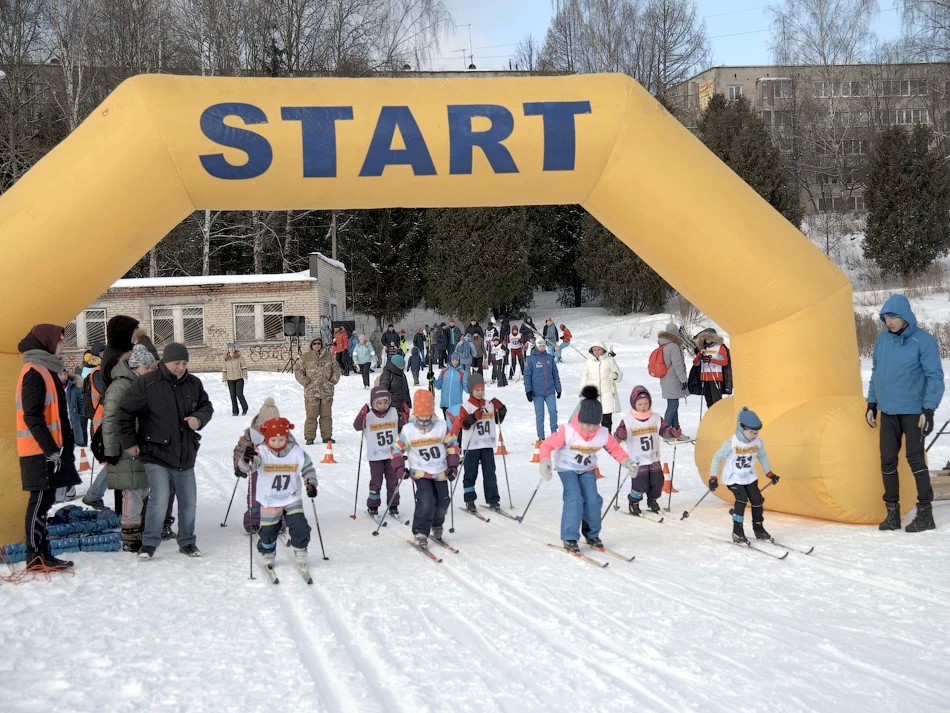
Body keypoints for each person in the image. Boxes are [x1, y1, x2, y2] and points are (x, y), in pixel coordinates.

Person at [118, 342, 214, 559]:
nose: (180, 367)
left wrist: (199, 418)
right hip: (155, 452)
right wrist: (130, 442)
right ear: (164, 362)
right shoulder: (147, 383)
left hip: (185, 452)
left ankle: (187, 542)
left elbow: (206, 406)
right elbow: (124, 411)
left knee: (188, 501)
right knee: (159, 499)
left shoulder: (194, 383)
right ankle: (149, 544)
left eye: (184, 363)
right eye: (176, 363)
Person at [866, 294, 945, 532]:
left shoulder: (924, 341)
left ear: (906, 317)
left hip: (913, 412)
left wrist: (928, 409)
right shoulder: (882, 340)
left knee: (915, 459)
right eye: (886, 317)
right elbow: (877, 372)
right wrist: (872, 403)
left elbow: (935, 377)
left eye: (894, 316)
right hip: (888, 411)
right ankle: (892, 514)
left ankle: (925, 514)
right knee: (887, 461)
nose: (889, 321)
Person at [15, 324, 82, 570]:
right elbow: (32, 416)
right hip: (40, 451)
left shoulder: (46, 369)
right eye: (60, 342)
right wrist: (51, 449)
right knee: (40, 500)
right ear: (47, 343)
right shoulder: (34, 372)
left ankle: (43, 552)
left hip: (50, 450)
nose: (62, 346)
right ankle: (35, 556)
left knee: (46, 501)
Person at [539, 386, 635, 553]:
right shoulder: (568, 431)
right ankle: (569, 537)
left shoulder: (602, 433)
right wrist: (545, 461)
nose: (589, 428)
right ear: (580, 418)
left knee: (593, 500)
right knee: (574, 498)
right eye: (585, 424)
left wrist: (626, 462)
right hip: (566, 468)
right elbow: (547, 445)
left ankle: (592, 534)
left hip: (587, 469)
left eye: (593, 425)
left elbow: (615, 449)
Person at [237, 417, 317, 571]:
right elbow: (247, 468)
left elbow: (308, 467)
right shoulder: (262, 452)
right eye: (273, 439)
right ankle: (268, 551)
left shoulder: (295, 451)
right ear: (267, 439)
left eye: (281, 439)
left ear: (287, 438)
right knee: (268, 530)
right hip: (269, 499)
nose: (278, 443)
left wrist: (311, 483)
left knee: (300, 525)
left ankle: (300, 549)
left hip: (291, 497)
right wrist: (245, 459)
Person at [101, 344, 158, 551]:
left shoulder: (142, 384)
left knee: (142, 489)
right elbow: (109, 419)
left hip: (141, 445)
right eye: (148, 368)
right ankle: (130, 536)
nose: (151, 372)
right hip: (125, 446)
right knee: (132, 492)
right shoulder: (121, 386)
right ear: (136, 367)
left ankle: (138, 529)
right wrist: (111, 450)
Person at [392, 389, 461, 549]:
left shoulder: (441, 427)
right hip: (420, 472)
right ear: (416, 413)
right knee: (426, 501)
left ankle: (437, 525)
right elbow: (396, 450)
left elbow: (452, 446)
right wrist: (400, 468)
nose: (424, 418)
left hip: (441, 471)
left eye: (427, 414)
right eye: (421, 414)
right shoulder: (409, 430)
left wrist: (452, 466)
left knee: (443, 501)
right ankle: (420, 531)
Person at [708, 407, 780, 543]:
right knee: (741, 499)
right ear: (741, 428)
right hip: (733, 477)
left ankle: (758, 528)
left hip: (749, 476)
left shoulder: (758, 443)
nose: (755, 435)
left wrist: (769, 473)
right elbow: (717, 458)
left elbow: (762, 457)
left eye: (756, 432)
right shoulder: (731, 443)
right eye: (751, 432)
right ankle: (737, 531)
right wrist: (713, 477)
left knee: (757, 500)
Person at [614, 385, 678, 515]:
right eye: (640, 404)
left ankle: (652, 500)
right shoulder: (628, 420)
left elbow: (664, 431)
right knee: (640, 484)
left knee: (657, 482)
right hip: (637, 460)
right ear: (634, 404)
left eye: (646, 403)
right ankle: (634, 502)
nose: (643, 406)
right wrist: (619, 434)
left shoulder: (655, 418)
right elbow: (617, 438)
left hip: (653, 457)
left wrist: (672, 432)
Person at [456, 373, 507, 513]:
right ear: (471, 390)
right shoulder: (466, 407)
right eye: (477, 390)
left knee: (490, 472)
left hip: (486, 444)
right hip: (471, 446)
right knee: (470, 473)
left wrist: (502, 409)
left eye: (482, 390)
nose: (480, 393)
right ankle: (470, 499)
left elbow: (498, 420)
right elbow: (463, 424)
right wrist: (473, 417)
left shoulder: (489, 404)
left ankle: (493, 499)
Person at [231, 397, 283, 534]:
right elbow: (240, 448)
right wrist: (239, 464)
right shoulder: (252, 433)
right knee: (254, 496)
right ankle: (253, 520)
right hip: (256, 469)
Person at [354, 387, 403, 517]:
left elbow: (402, 427)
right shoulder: (368, 416)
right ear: (373, 403)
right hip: (375, 455)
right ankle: (373, 506)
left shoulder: (393, 412)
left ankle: (393, 505)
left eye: (385, 402)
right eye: (379, 403)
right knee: (376, 482)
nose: (382, 406)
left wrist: (404, 416)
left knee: (393, 480)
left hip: (392, 454)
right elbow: (357, 426)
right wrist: (361, 415)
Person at [293, 336, 341, 445]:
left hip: (326, 391)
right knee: (311, 415)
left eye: (318, 343)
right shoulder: (305, 357)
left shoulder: (329, 356)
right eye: (314, 344)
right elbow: (298, 372)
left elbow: (336, 370)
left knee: (326, 415)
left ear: (321, 344)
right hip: (311, 392)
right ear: (311, 345)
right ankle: (309, 437)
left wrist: (332, 381)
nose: (316, 345)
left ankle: (327, 436)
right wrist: (306, 382)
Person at [656, 322, 690, 440]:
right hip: (673, 379)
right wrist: (683, 380)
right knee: (672, 406)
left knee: (673, 405)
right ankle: (666, 432)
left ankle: (676, 431)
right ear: (675, 333)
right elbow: (678, 365)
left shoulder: (663, 344)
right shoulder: (674, 346)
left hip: (665, 379)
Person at [579, 340, 623, 430]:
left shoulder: (610, 361)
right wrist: (582, 392)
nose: (597, 351)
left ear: (603, 350)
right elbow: (584, 377)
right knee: (593, 421)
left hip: (607, 395)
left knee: (607, 421)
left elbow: (619, 374)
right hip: (593, 397)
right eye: (594, 350)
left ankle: (607, 440)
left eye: (599, 349)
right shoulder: (589, 362)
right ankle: (594, 440)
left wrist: (615, 375)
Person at [525, 338, 561, 441]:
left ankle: (554, 433)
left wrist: (558, 388)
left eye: (543, 346)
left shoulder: (549, 358)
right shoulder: (531, 359)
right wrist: (528, 390)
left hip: (550, 391)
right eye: (540, 346)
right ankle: (541, 437)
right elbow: (527, 376)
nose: (542, 347)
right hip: (537, 393)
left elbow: (555, 374)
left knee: (553, 411)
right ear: (536, 346)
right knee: (540, 415)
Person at [692, 328, 729, 408]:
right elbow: (695, 363)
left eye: (708, 338)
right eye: (705, 338)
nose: (707, 341)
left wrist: (711, 360)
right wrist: (699, 357)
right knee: (709, 402)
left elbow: (725, 362)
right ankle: (712, 418)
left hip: (715, 377)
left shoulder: (720, 347)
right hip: (704, 378)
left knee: (717, 402)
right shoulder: (703, 348)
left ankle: (720, 419)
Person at [435, 352, 467, 424]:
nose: (455, 362)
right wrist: (433, 380)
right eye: (453, 360)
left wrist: (472, 385)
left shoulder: (462, 373)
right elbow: (438, 386)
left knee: (456, 424)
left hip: (456, 404)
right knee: (448, 424)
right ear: (450, 360)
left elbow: (467, 388)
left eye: (456, 360)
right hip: (445, 404)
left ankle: (458, 435)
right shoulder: (444, 372)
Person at [380, 354, 412, 423]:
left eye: (403, 366)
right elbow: (382, 391)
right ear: (395, 366)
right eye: (401, 366)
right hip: (392, 407)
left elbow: (406, 390)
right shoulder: (387, 374)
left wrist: (408, 403)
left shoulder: (402, 374)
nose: (403, 368)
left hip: (402, 406)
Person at [222, 342, 249, 416]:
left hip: (239, 378)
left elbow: (244, 367)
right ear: (228, 349)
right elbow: (224, 370)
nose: (231, 349)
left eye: (232, 348)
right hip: (230, 379)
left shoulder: (239, 357)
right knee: (232, 395)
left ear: (234, 348)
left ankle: (245, 408)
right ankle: (235, 411)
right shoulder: (226, 358)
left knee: (239, 394)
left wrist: (245, 377)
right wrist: (224, 379)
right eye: (230, 348)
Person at [61, 368, 86, 448]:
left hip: (75, 421)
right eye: (61, 374)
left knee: (79, 449)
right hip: (61, 423)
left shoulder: (74, 386)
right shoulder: (53, 387)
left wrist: (82, 417)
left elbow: (81, 402)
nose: (64, 377)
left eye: (65, 374)